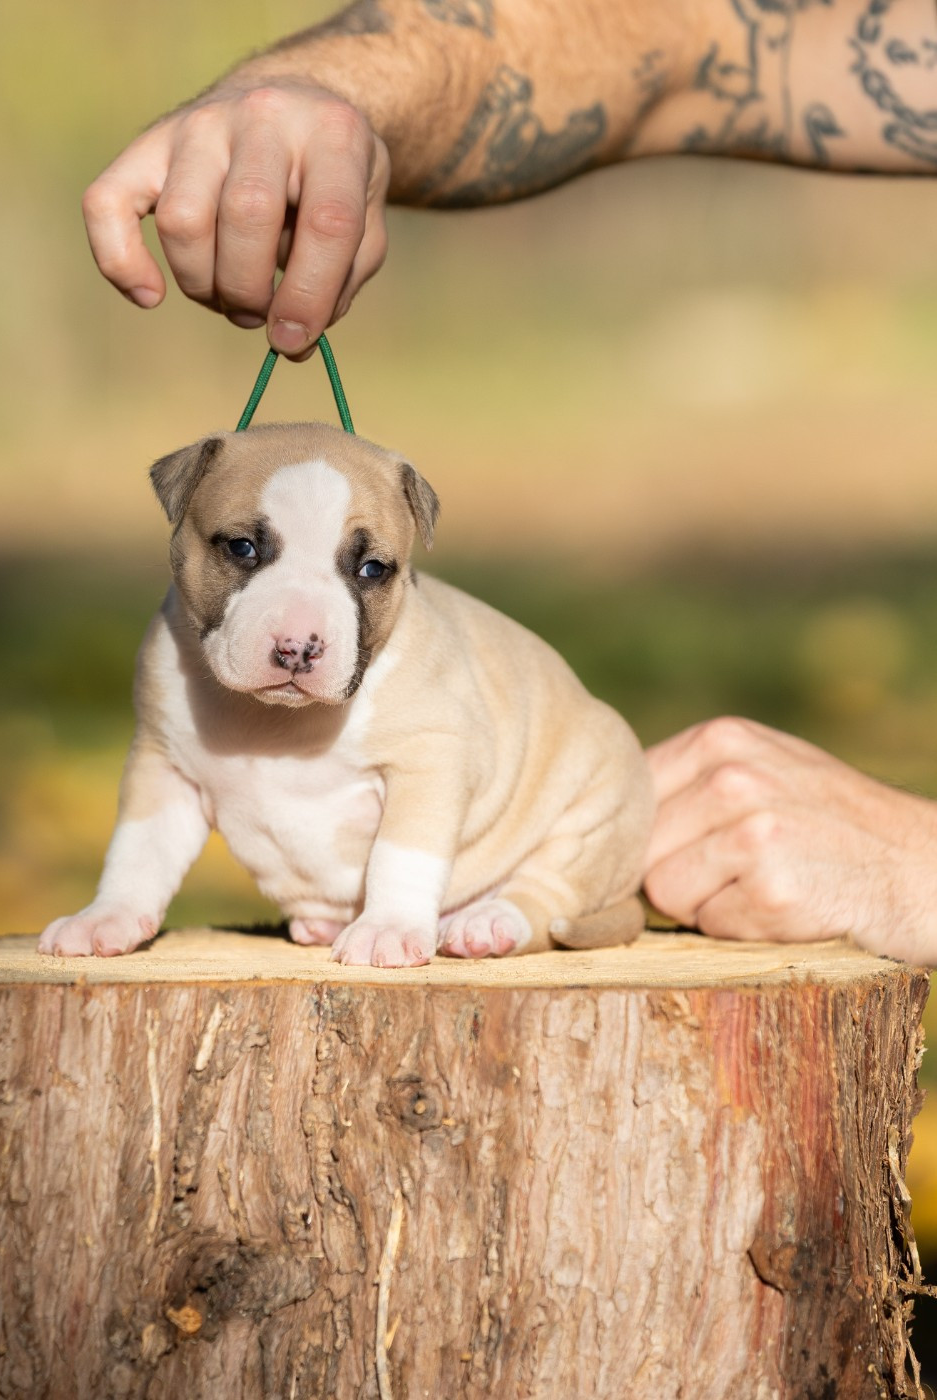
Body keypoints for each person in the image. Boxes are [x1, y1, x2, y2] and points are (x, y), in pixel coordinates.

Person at [78, 0, 937, 964]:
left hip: (503, 846)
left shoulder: (405, 675)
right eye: (244, 551)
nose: (298, 620)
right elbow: (659, 37)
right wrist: (321, 100)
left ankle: (535, 895)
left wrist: (918, 869)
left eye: (366, 571)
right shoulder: (180, 650)